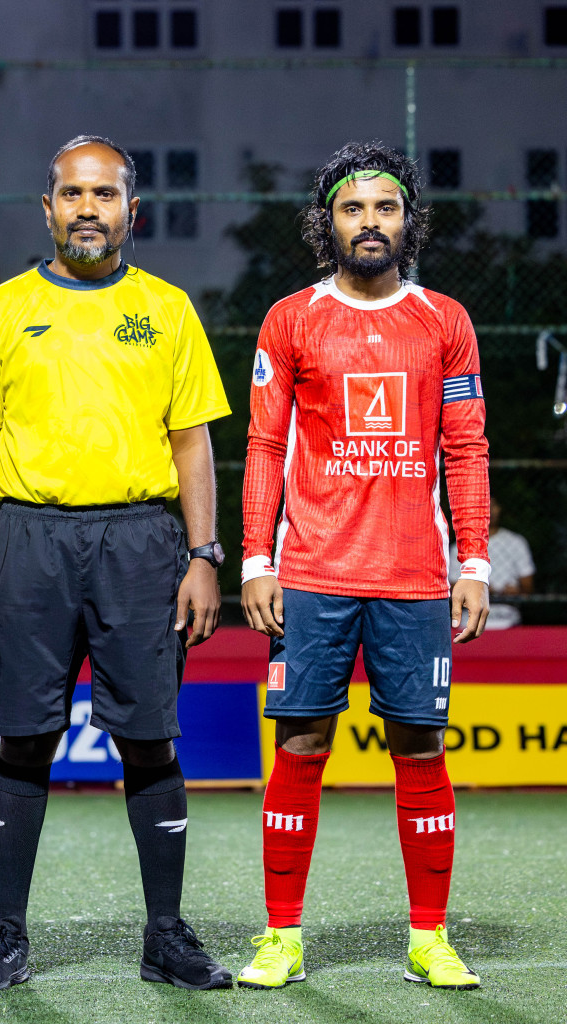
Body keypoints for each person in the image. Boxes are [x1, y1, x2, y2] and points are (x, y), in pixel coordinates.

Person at [0, 134, 233, 992]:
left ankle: (166, 935)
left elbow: (192, 442)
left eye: (104, 195)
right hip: (29, 540)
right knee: (25, 737)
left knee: (148, 739)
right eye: (72, 193)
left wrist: (204, 554)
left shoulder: (167, 309)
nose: (88, 209)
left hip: (141, 543)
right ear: (48, 209)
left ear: (131, 210)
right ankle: (6, 935)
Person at [238, 141, 490, 991]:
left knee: (420, 747)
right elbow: (265, 445)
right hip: (311, 573)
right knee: (301, 743)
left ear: (409, 221)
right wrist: (256, 559)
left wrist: (475, 560)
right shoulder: (291, 318)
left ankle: (429, 939)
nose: (370, 222)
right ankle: (282, 936)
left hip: (415, 577)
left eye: (386, 207)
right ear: (329, 222)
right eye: (353, 208)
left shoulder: (445, 321)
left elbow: (466, 448)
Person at [449, 498, 532, 629]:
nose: (488, 511)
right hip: (469, 621)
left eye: (491, 506)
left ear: (499, 509)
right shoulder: (460, 546)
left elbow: (528, 586)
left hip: (509, 617)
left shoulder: (516, 542)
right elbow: (452, 587)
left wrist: (516, 592)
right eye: (482, 507)